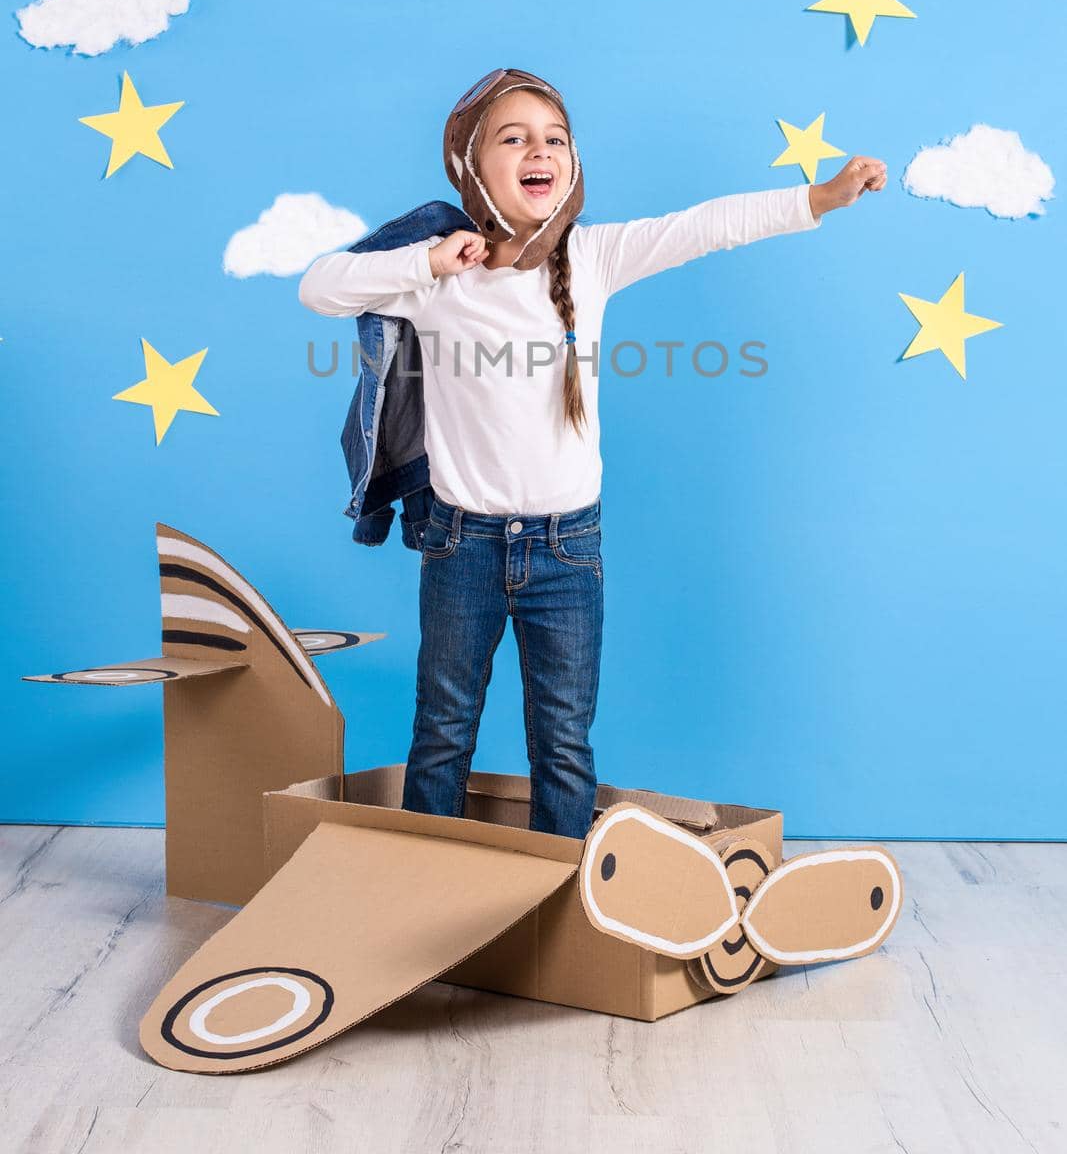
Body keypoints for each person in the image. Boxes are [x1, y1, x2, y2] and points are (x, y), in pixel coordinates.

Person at [298, 68, 886, 838]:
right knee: (441, 736)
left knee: (564, 745)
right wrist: (426, 262)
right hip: (459, 545)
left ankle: (562, 912)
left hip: (566, 550)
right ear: (471, 165)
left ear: (571, 163)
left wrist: (817, 199)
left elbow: (704, 226)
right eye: (514, 138)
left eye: (554, 139)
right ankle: (425, 885)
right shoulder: (440, 276)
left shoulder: (594, 255)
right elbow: (321, 286)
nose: (538, 150)